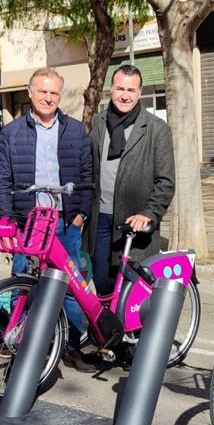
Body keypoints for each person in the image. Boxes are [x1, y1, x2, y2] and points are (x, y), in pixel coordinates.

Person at [0, 67, 94, 371]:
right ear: (30, 92)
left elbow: (89, 175)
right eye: (43, 91)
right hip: (29, 224)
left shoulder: (76, 130)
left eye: (54, 93)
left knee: (72, 288)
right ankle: (18, 344)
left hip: (65, 223)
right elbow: (2, 181)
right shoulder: (11, 134)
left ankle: (72, 347)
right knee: (22, 285)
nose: (48, 98)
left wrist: (80, 215)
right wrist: (9, 221)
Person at [84, 64, 174, 294]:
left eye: (131, 90)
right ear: (111, 90)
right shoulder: (99, 123)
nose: (125, 95)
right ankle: (108, 331)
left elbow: (165, 182)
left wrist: (149, 213)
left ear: (140, 92)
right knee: (102, 284)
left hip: (134, 220)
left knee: (132, 292)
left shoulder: (157, 129)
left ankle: (133, 331)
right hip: (100, 220)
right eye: (120, 88)